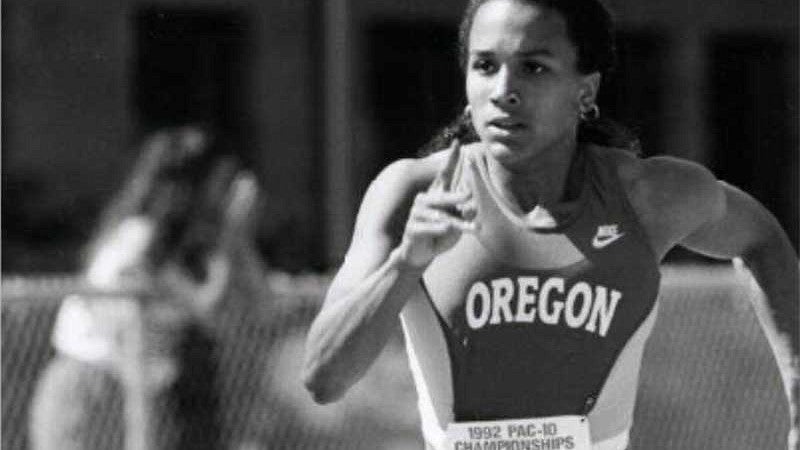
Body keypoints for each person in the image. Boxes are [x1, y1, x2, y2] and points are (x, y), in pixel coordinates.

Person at [302, 0, 799, 449]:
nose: (503, 91)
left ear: (585, 90)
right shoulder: (413, 193)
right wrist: (405, 263)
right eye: (485, 66)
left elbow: (761, 238)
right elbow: (324, 379)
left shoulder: (646, 197)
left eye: (533, 68)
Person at [29, 125, 266, 450]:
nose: (226, 195)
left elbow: (260, 304)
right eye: (222, 183)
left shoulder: (187, 249)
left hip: (134, 394)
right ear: (190, 188)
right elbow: (205, 308)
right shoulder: (138, 239)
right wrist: (231, 232)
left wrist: (236, 238)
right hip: (89, 390)